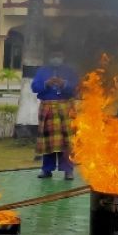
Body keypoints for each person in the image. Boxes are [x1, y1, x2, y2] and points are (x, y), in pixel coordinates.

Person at [31, 49, 79, 180]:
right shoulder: (42, 71)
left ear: (63, 56)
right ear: (49, 57)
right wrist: (46, 84)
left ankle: (68, 170)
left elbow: (76, 87)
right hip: (47, 108)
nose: (56, 58)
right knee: (48, 142)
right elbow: (34, 87)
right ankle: (47, 170)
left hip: (65, 107)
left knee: (67, 142)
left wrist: (64, 84)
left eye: (58, 55)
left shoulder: (69, 71)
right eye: (53, 55)